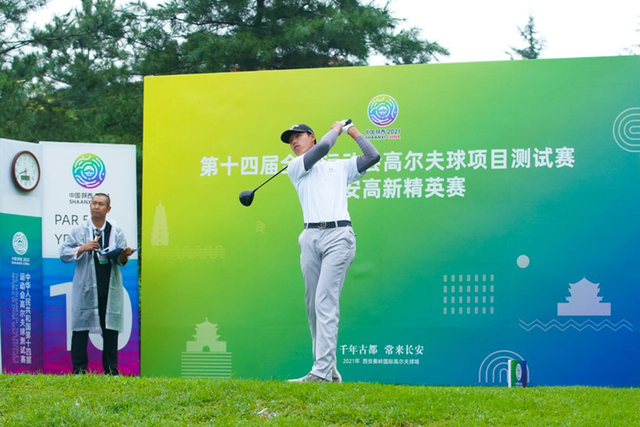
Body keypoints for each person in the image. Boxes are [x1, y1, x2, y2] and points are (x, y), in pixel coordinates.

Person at [283, 120, 380, 383]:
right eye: (290, 140)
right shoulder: (296, 166)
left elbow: (373, 156)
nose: (293, 142)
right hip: (310, 237)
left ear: (311, 135)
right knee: (313, 306)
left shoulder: (340, 167)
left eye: (297, 136)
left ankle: (321, 372)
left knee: (325, 301)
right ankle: (328, 369)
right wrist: (337, 129)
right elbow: (324, 147)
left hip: (339, 236)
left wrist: (352, 131)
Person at [60, 193, 135, 375]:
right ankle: (79, 371)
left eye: (101, 204)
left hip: (109, 286)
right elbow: (63, 253)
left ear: (108, 209)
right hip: (86, 287)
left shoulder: (116, 231)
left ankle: (111, 370)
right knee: (80, 328)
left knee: (110, 329)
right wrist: (82, 248)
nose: (96, 207)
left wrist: (124, 254)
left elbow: (121, 261)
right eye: (93, 203)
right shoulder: (79, 230)